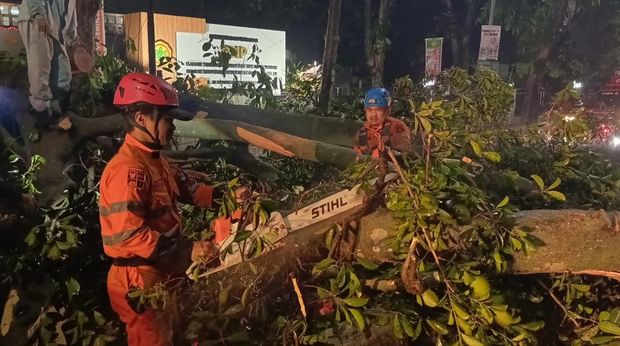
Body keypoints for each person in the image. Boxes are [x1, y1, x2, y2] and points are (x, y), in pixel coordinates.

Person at [99, 72, 246, 346]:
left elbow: (189, 190)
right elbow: (127, 236)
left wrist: (228, 195)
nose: (173, 127)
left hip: (161, 269)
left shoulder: (155, 160)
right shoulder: (128, 170)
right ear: (141, 118)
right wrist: (186, 250)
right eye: (167, 120)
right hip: (138, 277)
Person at [18, 0, 77, 125]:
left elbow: (71, 9)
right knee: (40, 68)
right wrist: (38, 14)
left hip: (56, 28)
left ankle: (56, 111)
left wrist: (72, 37)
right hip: (37, 20)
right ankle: (40, 113)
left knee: (63, 73)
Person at [354, 87, 412, 159]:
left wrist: (386, 152)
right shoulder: (361, 133)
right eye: (369, 110)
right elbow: (357, 157)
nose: (373, 114)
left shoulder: (397, 127)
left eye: (378, 110)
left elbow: (407, 154)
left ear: (387, 111)